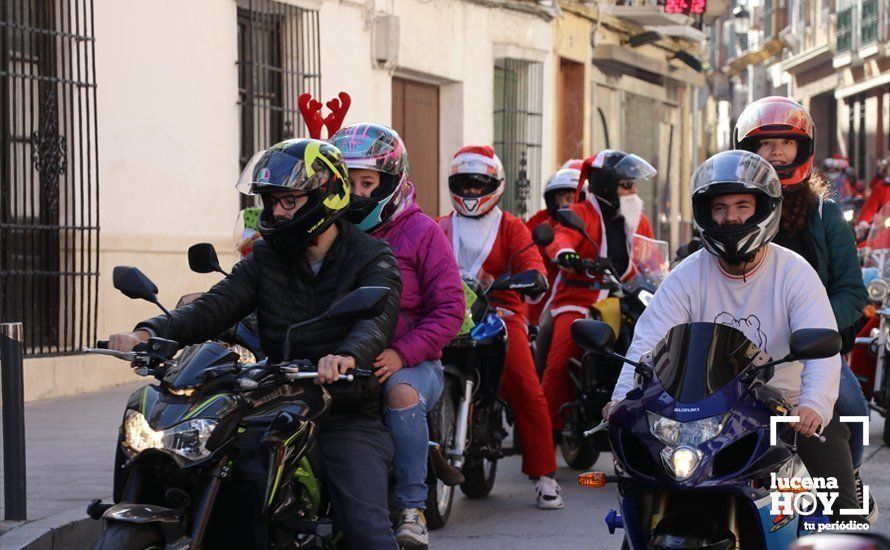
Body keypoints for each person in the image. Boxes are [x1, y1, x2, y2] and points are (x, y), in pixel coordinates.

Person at [107, 138, 403, 549]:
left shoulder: (372, 257)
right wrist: (148, 333)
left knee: (367, 530)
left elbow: (375, 321)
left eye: (288, 200)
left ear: (327, 195)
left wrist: (347, 356)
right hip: (272, 397)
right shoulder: (267, 258)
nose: (277, 211)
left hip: (343, 406)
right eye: (271, 201)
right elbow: (215, 306)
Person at [606, 149, 863, 525]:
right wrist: (618, 400)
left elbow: (821, 348)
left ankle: (844, 522)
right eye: (720, 207)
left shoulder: (794, 272)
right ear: (706, 213)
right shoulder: (687, 274)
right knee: (638, 480)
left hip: (783, 410)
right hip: (705, 412)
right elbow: (647, 342)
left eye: (742, 205)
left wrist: (813, 407)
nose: (730, 217)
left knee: (838, 499)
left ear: (763, 208)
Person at [734, 96, 875, 522]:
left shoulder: (825, 213)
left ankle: (844, 477)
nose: (776, 152)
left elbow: (852, 290)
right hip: (740, 344)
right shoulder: (733, 205)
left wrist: (813, 328)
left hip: (812, 347)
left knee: (851, 407)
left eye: (785, 143)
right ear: (746, 149)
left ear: (803, 149)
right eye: (765, 143)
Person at [330, 123, 465, 547]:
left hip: (413, 362)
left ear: (390, 182)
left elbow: (450, 310)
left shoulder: (422, 231)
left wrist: (402, 354)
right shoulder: (328, 232)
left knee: (401, 395)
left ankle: (412, 507)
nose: (356, 193)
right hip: (341, 356)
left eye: (367, 183)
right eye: (346, 183)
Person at [437, 144, 563, 509]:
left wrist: (532, 278)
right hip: (447, 315)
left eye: (479, 185)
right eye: (465, 184)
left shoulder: (512, 226)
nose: (472, 193)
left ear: (495, 185)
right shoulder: (439, 225)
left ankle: (545, 477)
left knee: (527, 387)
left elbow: (532, 265)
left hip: (501, 314)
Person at [540, 150, 656, 436]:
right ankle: (546, 430)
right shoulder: (580, 213)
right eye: (626, 185)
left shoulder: (635, 216)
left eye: (633, 185)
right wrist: (565, 253)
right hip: (579, 299)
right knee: (558, 360)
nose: (633, 191)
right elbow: (561, 236)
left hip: (626, 296)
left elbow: (650, 256)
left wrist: (665, 273)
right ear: (606, 184)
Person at [525, 160, 584, 325]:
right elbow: (556, 241)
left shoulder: (598, 220)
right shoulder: (545, 223)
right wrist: (564, 253)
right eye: (559, 197)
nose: (564, 203)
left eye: (571, 197)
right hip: (554, 296)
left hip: (596, 292)